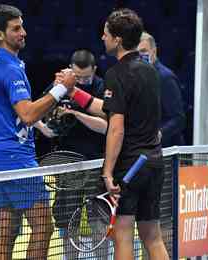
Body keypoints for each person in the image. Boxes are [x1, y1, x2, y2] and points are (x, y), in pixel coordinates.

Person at [57, 8, 169, 260]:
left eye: (106, 34)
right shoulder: (150, 71)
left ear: (117, 39)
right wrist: (73, 91)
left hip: (129, 167)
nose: (102, 38)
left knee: (123, 234)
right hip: (153, 162)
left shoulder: (116, 74)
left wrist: (107, 171)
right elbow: (109, 109)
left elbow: (115, 127)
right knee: (152, 236)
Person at [0, 4, 75, 260]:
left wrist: (40, 126)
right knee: (43, 226)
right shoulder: (9, 68)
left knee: (7, 230)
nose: (23, 32)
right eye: (16, 28)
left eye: (22, 26)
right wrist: (61, 90)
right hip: (15, 159)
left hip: (0, 156)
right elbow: (27, 114)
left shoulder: (2, 65)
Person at [43, 49, 108, 259]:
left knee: (98, 223)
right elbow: (37, 113)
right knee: (68, 224)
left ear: (94, 70)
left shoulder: (102, 86)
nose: (81, 81)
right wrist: (48, 126)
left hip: (96, 163)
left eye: (86, 77)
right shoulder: (61, 85)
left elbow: (107, 126)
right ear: (70, 70)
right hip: (67, 164)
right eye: (77, 77)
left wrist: (76, 114)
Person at [138, 32, 186, 148]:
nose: (140, 56)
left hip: (166, 151)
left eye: (143, 51)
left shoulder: (165, 78)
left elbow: (178, 118)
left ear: (154, 51)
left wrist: (158, 134)